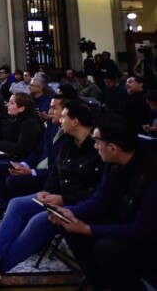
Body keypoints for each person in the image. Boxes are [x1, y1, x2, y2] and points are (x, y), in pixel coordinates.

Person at [0, 99, 102, 281]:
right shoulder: (68, 141)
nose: (59, 120)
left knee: (38, 221)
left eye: (63, 116)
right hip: (58, 196)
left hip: (76, 203)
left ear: (75, 121)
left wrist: (63, 199)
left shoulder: (98, 149)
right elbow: (56, 171)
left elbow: (96, 191)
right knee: (17, 204)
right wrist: (47, 191)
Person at [48, 114, 157, 291]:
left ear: (113, 147)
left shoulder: (151, 174)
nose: (95, 146)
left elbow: (142, 230)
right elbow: (101, 199)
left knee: (106, 248)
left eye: (97, 142)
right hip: (124, 223)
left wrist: (89, 229)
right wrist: (72, 213)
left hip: (148, 239)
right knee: (68, 225)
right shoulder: (113, 163)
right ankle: (102, 286)